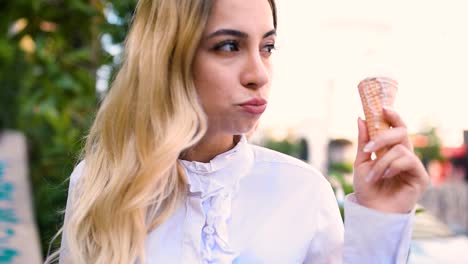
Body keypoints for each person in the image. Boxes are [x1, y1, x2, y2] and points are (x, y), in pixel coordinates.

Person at [46, 0, 429, 263]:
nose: (259, 74)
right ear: (168, 57)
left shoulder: (304, 191)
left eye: (267, 47)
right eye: (229, 46)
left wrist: (383, 217)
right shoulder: (101, 183)